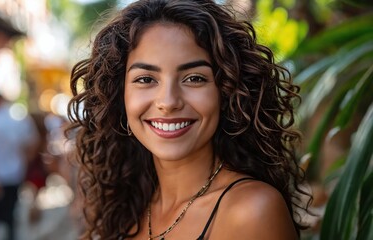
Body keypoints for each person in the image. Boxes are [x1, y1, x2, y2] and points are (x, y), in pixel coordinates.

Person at [67, 0, 311, 239]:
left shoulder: (251, 211)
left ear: (226, 91)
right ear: (119, 95)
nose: (168, 101)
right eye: (145, 79)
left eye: (194, 78)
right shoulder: (127, 207)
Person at [0, 94, 39, 240]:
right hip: (15, 172)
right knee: (11, 209)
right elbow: (33, 142)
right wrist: (25, 160)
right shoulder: (18, 121)